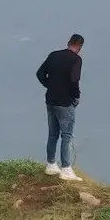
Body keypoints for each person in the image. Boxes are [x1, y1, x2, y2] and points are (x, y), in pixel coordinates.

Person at [36, 34, 84, 178]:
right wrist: (75, 97)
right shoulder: (76, 60)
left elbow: (40, 74)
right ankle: (66, 168)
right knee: (66, 135)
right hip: (65, 102)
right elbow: (74, 80)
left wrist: (50, 86)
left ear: (68, 43)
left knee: (53, 134)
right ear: (80, 47)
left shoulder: (54, 55)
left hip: (50, 100)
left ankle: (51, 165)